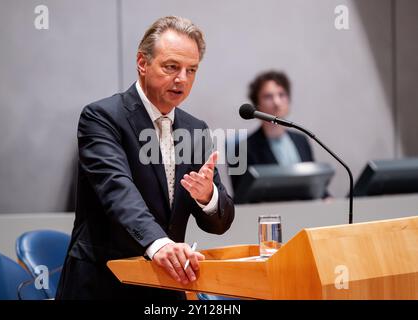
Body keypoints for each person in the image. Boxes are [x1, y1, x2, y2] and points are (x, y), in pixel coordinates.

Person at [56, 16, 235, 300]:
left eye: (191, 70)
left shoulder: (195, 129)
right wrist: (159, 244)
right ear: (142, 62)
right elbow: (117, 190)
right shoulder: (102, 118)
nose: (182, 79)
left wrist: (208, 196)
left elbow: (219, 222)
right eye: (171, 67)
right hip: (104, 285)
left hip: (167, 288)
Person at [230, 71, 315, 194]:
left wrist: (326, 197)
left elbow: (314, 181)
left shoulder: (301, 140)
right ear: (257, 105)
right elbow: (241, 197)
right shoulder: (242, 150)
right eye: (268, 97)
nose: (277, 102)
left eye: (281, 95)